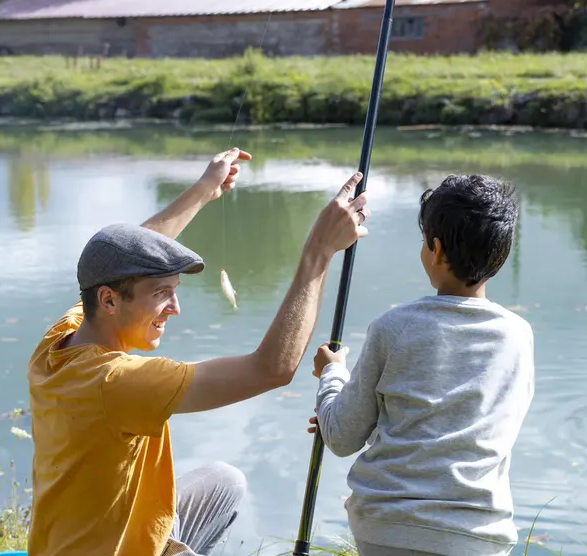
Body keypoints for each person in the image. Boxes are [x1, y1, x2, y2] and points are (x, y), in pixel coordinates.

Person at [27, 147, 371, 556]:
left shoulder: (62, 338)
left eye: (174, 291)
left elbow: (124, 251)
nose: (175, 308)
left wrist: (205, 190)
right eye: (161, 295)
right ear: (109, 300)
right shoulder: (117, 382)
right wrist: (319, 250)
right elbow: (270, 369)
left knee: (223, 482)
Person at [309, 174, 535, 556]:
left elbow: (342, 437)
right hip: (478, 534)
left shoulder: (394, 328)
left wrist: (331, 375)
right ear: (500, 254)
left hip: (388, 528)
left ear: (436, 249)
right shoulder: (518, 336)